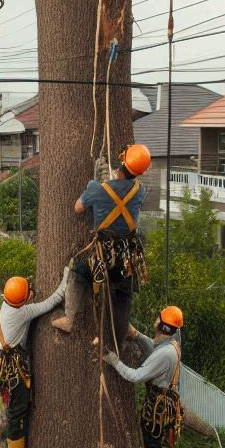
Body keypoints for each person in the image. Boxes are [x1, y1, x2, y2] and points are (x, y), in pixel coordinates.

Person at [52, 143, 150, 343]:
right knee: (124, 293)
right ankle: (122, 332)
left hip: (102, 258)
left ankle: (69, 319)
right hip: (126, 259)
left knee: (77, 269)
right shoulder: (140, 191)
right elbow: (122, 189)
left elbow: (78, 208)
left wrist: (94, 182)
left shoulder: (98, 190)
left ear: (122, 163)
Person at [0, 270, 68, 448]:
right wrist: (66, 275)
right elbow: (55, 299)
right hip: (11, 366)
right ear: (23, 299)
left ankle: (13, 443)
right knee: (18, 405)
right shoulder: (24, 312)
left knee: (13, 404)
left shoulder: (7, 306)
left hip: (0, 362)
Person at [104, 306, 184, 448]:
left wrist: (114, 361)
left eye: (159, 319)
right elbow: (154, 348)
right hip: (162, 399)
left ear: (164, 328)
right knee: (150, 436)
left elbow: (136, 376)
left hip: (159, 403)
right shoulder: (170, 344)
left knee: (152, 438)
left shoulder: (166, 354)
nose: (156, 320)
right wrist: (137, 335)